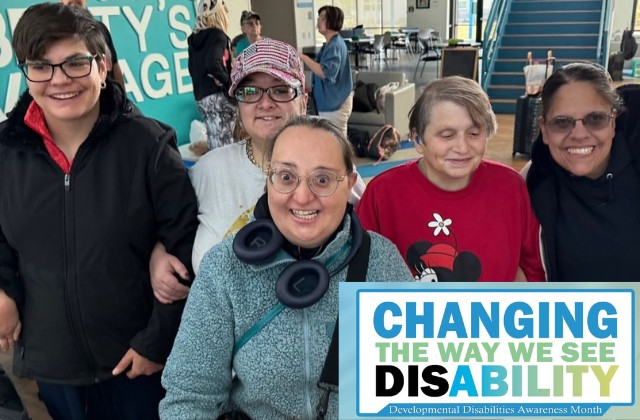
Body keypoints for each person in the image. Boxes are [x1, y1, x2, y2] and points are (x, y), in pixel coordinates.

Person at [0, 4, 198, 419]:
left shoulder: (149, 146)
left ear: (102, 65)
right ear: (27, 71)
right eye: (42, 66)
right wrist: (4, 290)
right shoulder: (6, 152)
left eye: (75, 63)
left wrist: (157, 341)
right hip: (52, 366)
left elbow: (185, 247)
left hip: (137, 365)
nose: (59, 80)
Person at [159, 115, 414, 419]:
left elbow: (419, 389)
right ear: (268, 182)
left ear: (348, 184)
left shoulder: (382, 262)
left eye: (322, 179)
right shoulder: (224, 269)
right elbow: (189, 399)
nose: (303, 197)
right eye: (286, 177)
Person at [149, 39, 366, 301]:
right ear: (238, 105)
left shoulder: (334, 171)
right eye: (250, 91)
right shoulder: (207, 171)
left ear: (303, 100)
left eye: (281, 89)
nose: (265, 103)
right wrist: (158, 254)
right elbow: (175, 228)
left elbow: (371, 241)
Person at [356, 76, 545, 282]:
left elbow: (533, 269)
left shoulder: (510, 188)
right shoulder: (382, 193)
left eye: (474, 133)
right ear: (418, 140)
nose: (462, 147)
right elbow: (359, 274)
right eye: (447, 135)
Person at [525, 62, 640, 282]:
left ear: (613, 122)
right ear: (545, 130)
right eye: (562, 122)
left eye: (595, 119)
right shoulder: (530, 187)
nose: (579, 134)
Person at [188, 0, 236, 151]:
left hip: (202, 97)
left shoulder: (194, 40)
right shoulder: (218, 35)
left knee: (215, 142)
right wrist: (229, 84)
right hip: (218, 98)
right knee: (227, 145)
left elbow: (191, 68)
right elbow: (213, 62)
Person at [299, 6, 353, 136]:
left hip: (336, 103)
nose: (318, 21)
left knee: (336, 144)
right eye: (319, 18)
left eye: (322, 18)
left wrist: (304, 58)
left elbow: (325, 72)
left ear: (332, 21)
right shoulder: (331, 43)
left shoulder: (335, 45)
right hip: (332, 102)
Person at [60, 0, 125, 91]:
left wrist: (123, 98)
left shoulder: (101, 28)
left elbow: (115, 65)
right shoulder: (51, 33)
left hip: (110, 100)